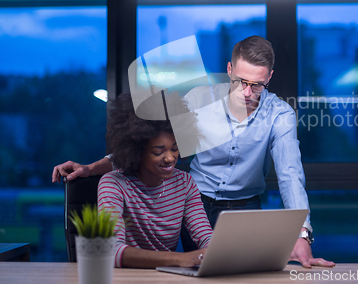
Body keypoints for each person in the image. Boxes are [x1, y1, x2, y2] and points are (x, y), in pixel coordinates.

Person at [53, 36, 334, 268]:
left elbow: (290, 175)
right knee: (197, 268)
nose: (247, 93)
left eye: (257, 85)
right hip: (197, 200)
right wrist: (91, 169)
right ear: (230, 70)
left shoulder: (280, 114)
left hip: (245, 207)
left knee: (237, 273)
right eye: (241, 82)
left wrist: (302, 234)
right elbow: (149, 141)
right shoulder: (200, 99)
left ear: (270, 77)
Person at [96, 93, 212, 268]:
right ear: (137, 150)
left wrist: (217, 251)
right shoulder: (113, 184)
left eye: (175, 149)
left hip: (164, 277)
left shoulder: (184, 183)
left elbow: (204, 235)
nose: (170, 158)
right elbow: (111, 250)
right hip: (125, 278)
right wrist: (179, 259)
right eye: (159, 152)